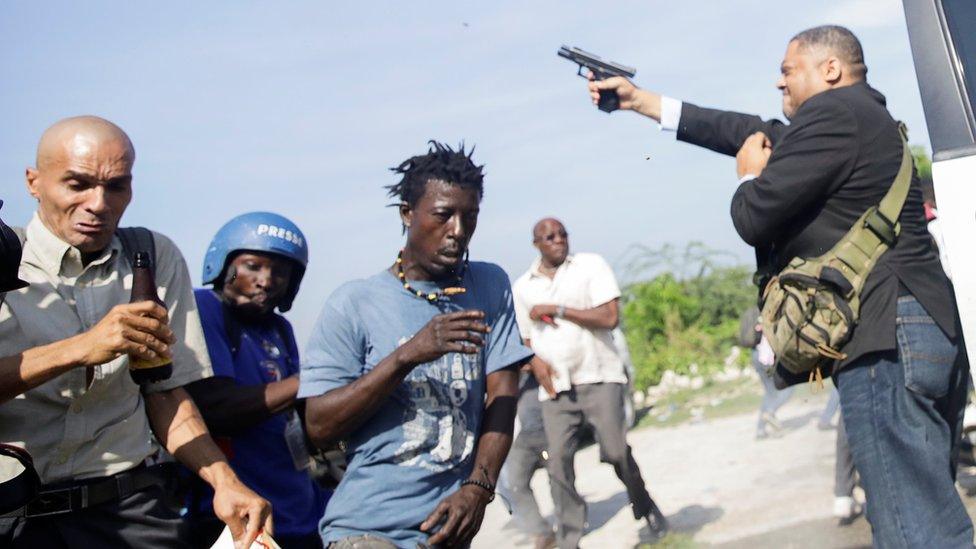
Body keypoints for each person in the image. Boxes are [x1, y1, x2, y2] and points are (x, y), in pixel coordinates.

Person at [587, 25, 970, 547]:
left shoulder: (834, 115)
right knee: (929, 512)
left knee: (911, 528)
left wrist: (748, 177)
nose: (778, 82)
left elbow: (755, 215)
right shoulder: (863, 119)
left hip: (884, 339)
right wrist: (641, 101)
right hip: (921, 330)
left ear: (829, 69)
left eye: (787, 70)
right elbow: (747, 128)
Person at [0, 116, 272, 548]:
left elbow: (164, 390)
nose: (98, 203)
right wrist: (80, 348)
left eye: (116, 187)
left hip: (130, 513)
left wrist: (223, 481)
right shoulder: (3, 261)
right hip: (15, 517)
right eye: (77, 184)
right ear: (33, 182)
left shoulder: (151, 255)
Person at [299, 141, 532, 548]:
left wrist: (478, 488)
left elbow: (503, 397)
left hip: (447, 530)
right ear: (408, 213)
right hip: (369, 531)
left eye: (470, 216)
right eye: (443, 215)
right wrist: (408, 355)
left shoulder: (489, 286)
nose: (458, 231)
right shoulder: (354, 303)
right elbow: (318, 426)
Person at [513, 218, 668, 549]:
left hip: (599, 376)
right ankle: (570, 538)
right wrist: (535, 362)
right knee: (557, 463)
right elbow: (523, 340)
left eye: (563, 234)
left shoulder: (590, 266)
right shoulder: (523, 287)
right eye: (549, 237)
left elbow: (610, 317)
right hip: (555, 388)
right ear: (536, 244)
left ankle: (645, 506)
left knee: (615, 452)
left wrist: (559, 309)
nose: (559, 240)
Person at [182, 212, 327, 549]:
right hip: (238, 518)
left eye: (280, 271)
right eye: (252, 266)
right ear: (224, 264)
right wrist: (320, 376)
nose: (266, 280)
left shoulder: (279, 329)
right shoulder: (204, 308)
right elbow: (218, 407)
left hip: (298, 512)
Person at [497, 373, 555, 549]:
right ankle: (542, 532)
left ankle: (570, 525)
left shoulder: (534, 358)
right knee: (514, 484)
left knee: (560, 478)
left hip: (548, 431)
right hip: (519, 438)